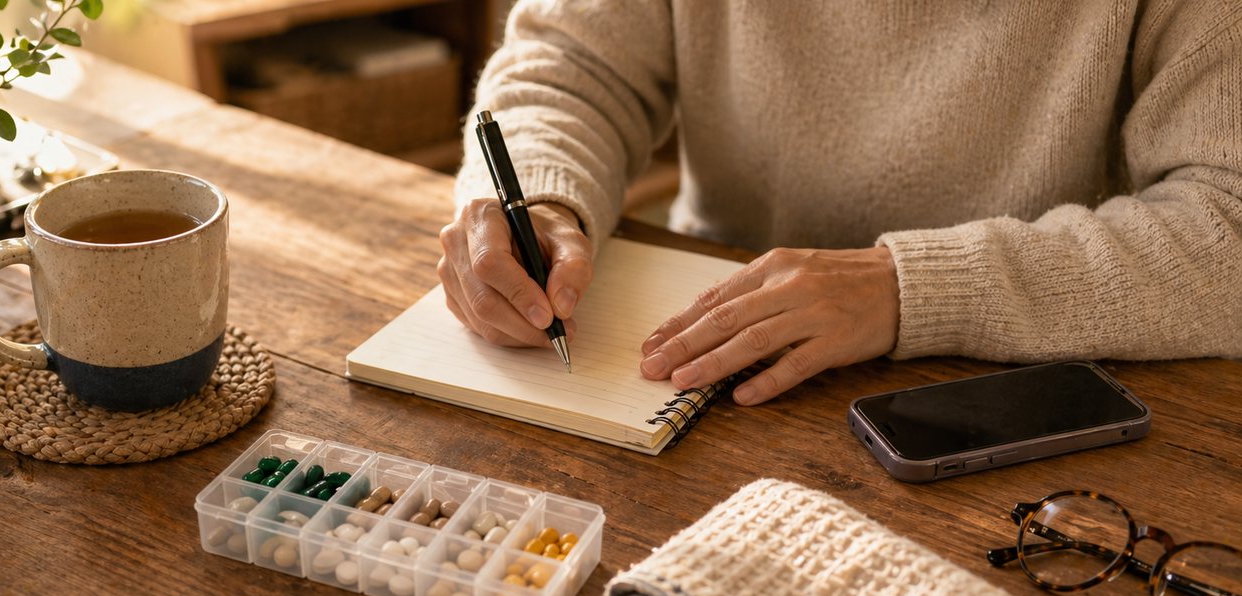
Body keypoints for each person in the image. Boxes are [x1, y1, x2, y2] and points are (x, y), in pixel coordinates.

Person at [436, 1, 1242, 405]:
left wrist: (910, 287)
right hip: (711, 354)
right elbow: (571, 68)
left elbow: (1228, 222)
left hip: (1019, 392)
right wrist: (537, 199)